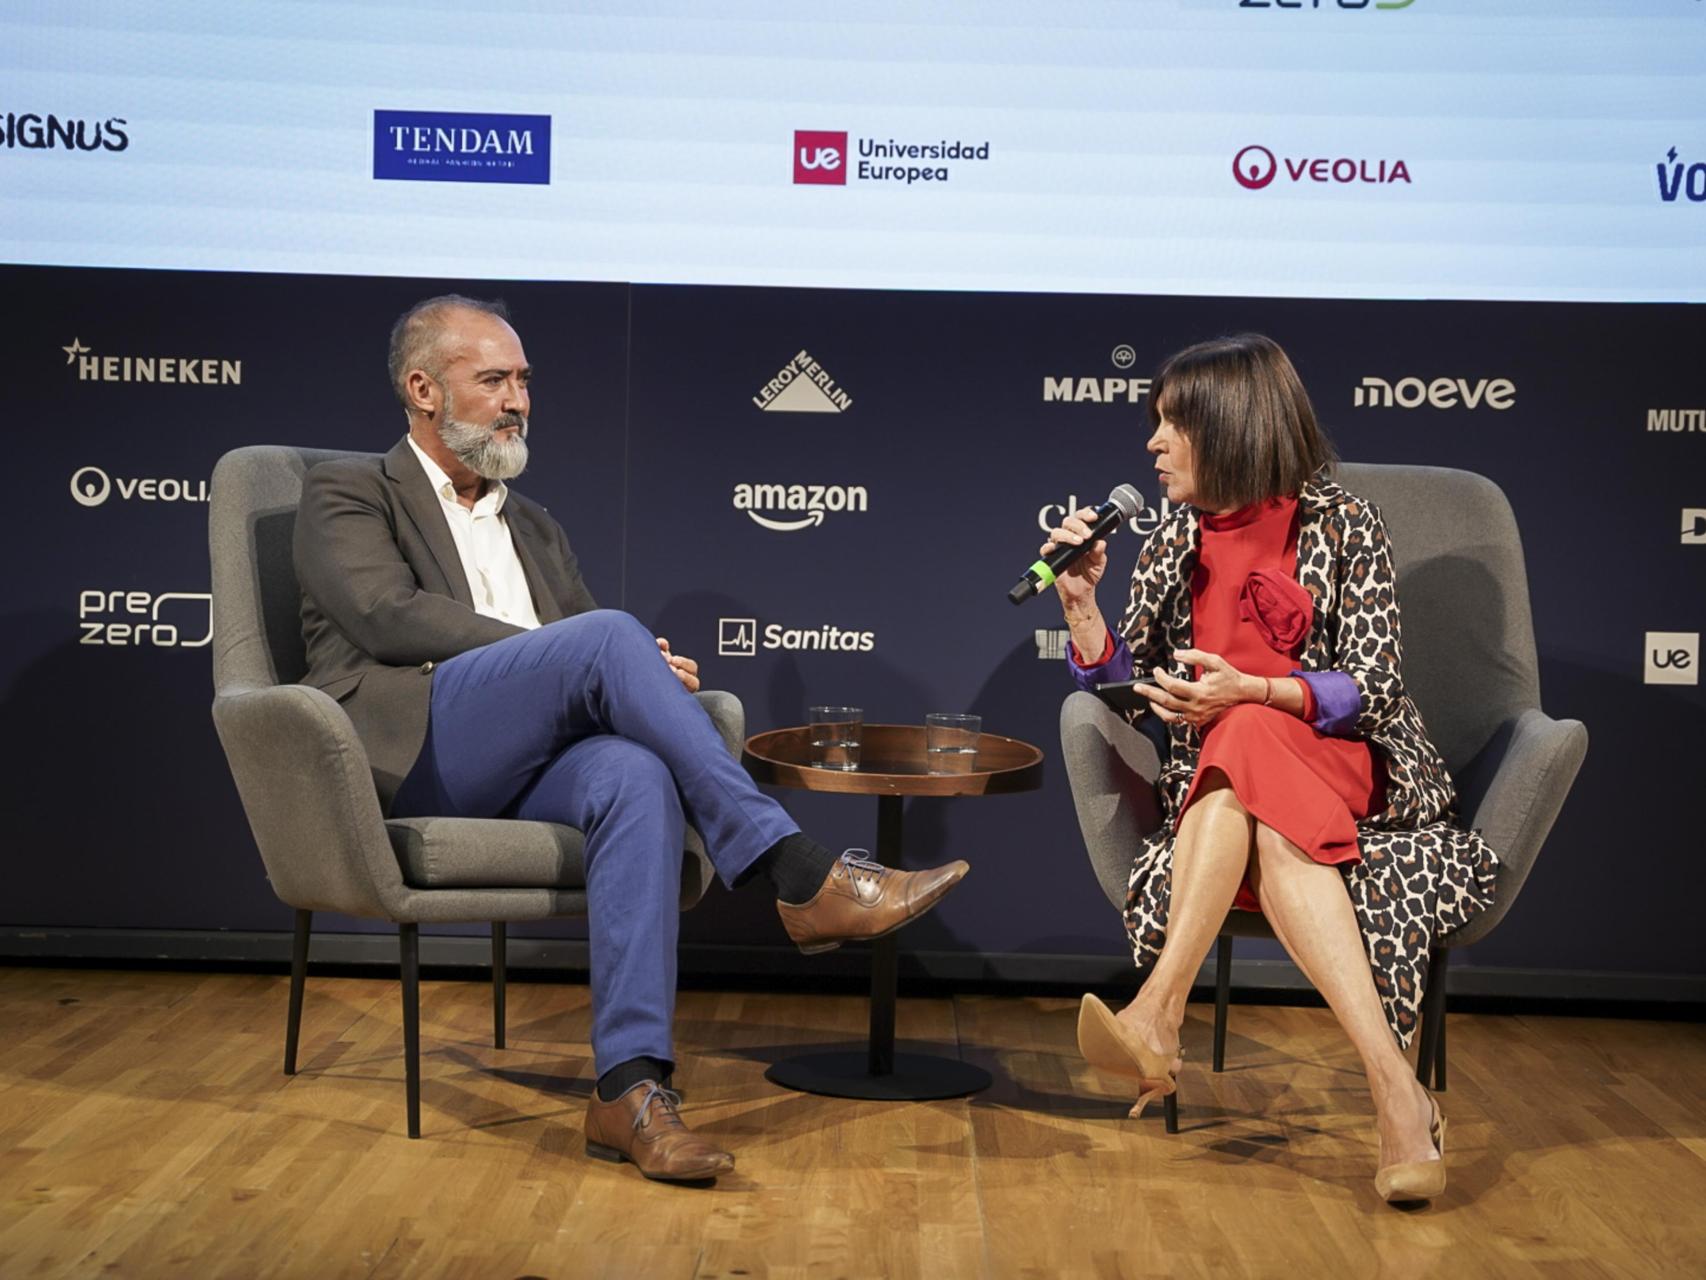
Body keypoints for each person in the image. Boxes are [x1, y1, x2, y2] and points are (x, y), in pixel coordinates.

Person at [292, 295, 968, 1182]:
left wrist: (644, 672)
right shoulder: (348, 491)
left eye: (523, 380)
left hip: (524, 763)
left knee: (635, 775)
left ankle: (630, 1089)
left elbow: (585, 665)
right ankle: (798, 872)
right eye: (492, 380)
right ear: (423, 389)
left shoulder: (535, 525)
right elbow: (386, 615)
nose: (517, 400)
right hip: (414, 750)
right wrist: (580, 652)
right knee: (609, 637)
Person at [1043, 333, 1497, 1205]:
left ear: (1231, 426)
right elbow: (1130, 690)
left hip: (1350, 763)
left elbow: (1373, 686)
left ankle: (1158, 1011)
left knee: (1247, 726)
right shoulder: (1173, 538)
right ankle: (1398, 1093)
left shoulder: (1344, 523)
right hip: (1230, 783)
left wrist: (1253, 690)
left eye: (1172, 424)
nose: (1153, 443)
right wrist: (1082, 606)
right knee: (1252, 777)